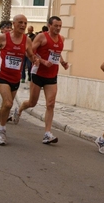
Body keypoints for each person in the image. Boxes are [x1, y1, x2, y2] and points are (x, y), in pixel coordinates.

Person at [13, 16, 68, 144]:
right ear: (49, 26)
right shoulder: (41, 37)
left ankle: (47, 133)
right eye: (56, 26)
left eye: (60, 26)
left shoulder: (61, 39)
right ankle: (19, 109)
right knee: (32, 102)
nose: (58, 28)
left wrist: (63, 62)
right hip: (38, 74)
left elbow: (57, 53)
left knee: (51, 104)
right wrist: (42, 61)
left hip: (52, 75)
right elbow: (29, 51)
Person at [0, 15, 38, 145]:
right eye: (20, 22)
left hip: (15, 77)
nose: (23, 25)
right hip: (2, 74)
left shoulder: (27, 40)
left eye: (25, 23)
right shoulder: (4, 37)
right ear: (14, 24)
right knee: (8, 103)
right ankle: (2, 131)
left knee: (5, 106)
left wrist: (35, 60)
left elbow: (30, 55)